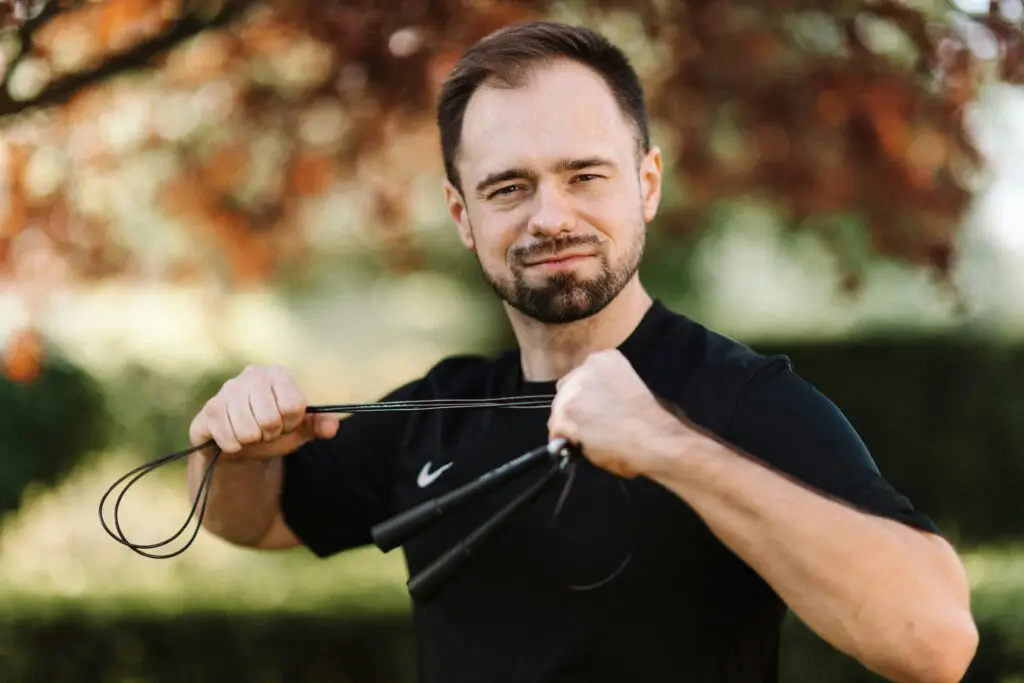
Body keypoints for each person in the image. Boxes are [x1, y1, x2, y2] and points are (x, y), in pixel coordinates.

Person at [187, 20, 978, 683]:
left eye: (584, 176)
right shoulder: (443, 405)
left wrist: (667, 445)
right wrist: (235, 447)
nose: (549, 216)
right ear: (464, 216)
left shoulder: (742, 399)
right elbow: (249, 521)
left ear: (647, 185)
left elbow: (936, 641)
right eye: (508, 188)